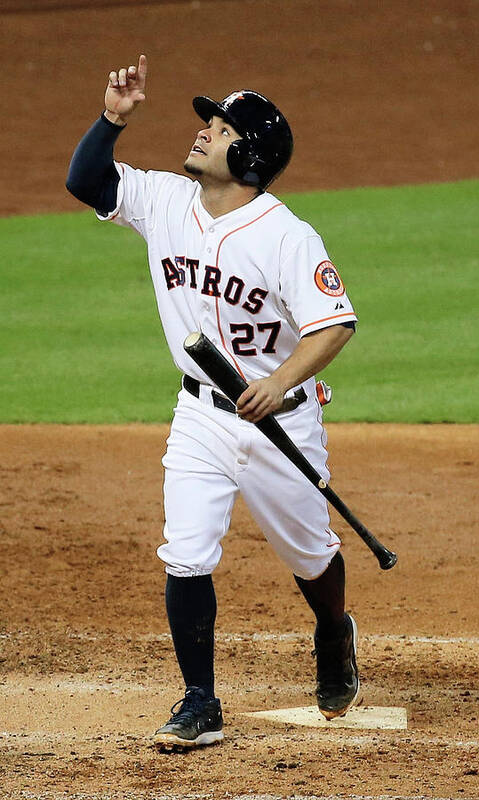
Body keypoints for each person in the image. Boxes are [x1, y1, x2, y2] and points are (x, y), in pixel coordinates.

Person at [66, 54, 359, 750]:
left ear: (249, 154)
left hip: (279, 423)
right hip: (199, 413)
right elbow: (87, 180)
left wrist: (279, 380)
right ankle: (200, 701)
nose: (204, 133)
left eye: (222, 128)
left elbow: (334, 323)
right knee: (186, 552)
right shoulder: (164, 199)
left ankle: (332, 629)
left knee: (311, 554)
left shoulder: (287, 236)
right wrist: (112, 120)